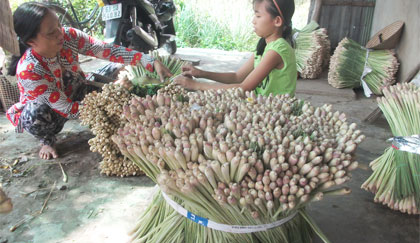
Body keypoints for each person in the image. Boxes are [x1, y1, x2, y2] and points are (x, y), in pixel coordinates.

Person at [6, 2, 173, 160]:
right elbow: (68, 110)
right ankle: (46, 141)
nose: (59, 34)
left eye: (59, 25)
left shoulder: (68, 36)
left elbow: (106, 50)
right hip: (52, 112)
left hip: (77, 91)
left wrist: (148, 61)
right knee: (36, 114)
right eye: (51, 33)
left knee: (114, 70)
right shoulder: (29, 70)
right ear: (31, 41)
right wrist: (110, 95)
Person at [174, 0, 296, 97]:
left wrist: (195, 85)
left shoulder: (278, 49)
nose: (253, 21)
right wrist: (201, 73)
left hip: (276, 112)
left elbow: (244, 88)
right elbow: (237, 76)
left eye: (258, 16)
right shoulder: (265, 46)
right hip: (260, 106)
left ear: (277, 21)